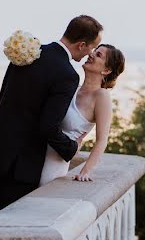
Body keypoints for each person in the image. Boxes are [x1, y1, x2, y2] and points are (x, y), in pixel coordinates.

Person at [0, 15, 103, 216]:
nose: (90, 53)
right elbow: (48, 127)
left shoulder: (29, 50)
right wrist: (71, 147)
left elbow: (2, 100)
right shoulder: (67, 74)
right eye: (92, 48)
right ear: (82, 45)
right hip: (22, 164)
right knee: (10, 228)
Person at [39, 43, 125, 185]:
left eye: (98, 55)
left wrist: (85, 171)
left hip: (53, 164)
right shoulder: (72, 87)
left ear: (107, 70)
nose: (91, 54)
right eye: (94, 51)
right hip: (34, 155)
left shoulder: (101, 96)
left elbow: (102, 140)